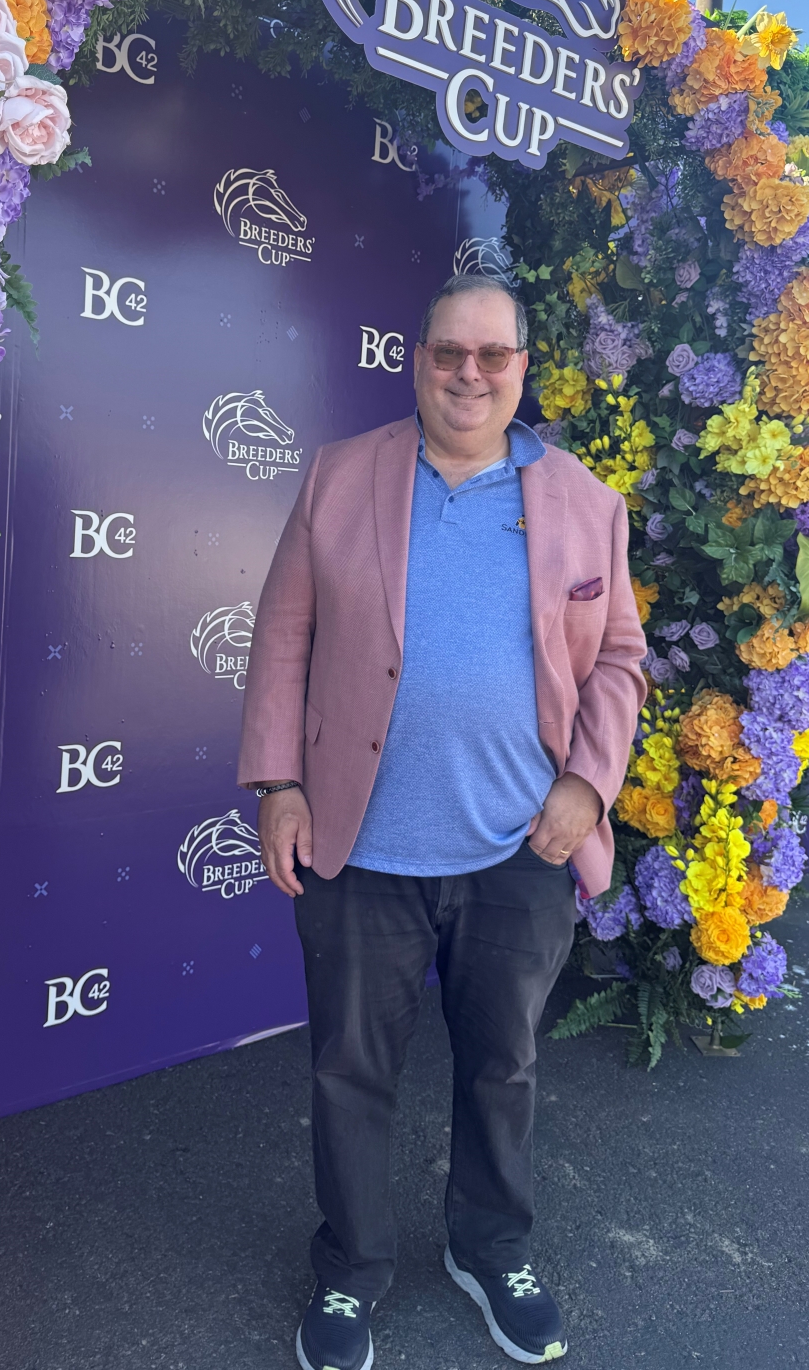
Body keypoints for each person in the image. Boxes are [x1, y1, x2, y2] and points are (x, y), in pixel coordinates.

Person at [238, 273, 647, 1369]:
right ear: (416, 360)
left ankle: (491, 1246)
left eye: (493, 356)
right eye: (449, 353)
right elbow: (283, 637)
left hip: (523, 847)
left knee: (501, 1066)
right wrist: (278, 783)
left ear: (523, 368)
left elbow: (618, 660)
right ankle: (351, 1272)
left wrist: (587, 786)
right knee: (349, 1072)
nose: (470, 373)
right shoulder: (339, 477)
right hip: (358, 846)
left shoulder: (585, 503)